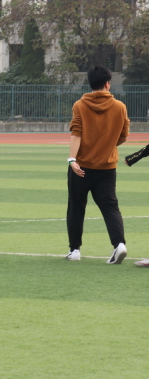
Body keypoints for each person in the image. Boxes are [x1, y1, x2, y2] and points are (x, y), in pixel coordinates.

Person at [66, 65, 130, 264]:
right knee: (110, 207)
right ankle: (119, 244)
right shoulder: (120, 107)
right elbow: (123, 135)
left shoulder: (80, 105)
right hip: (107, 167)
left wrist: (72, 159)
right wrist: (107, 146)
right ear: (107, 84)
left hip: (82, 166)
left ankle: (75, 250)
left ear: (90, 83)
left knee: (76, 206)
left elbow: (76, 133)